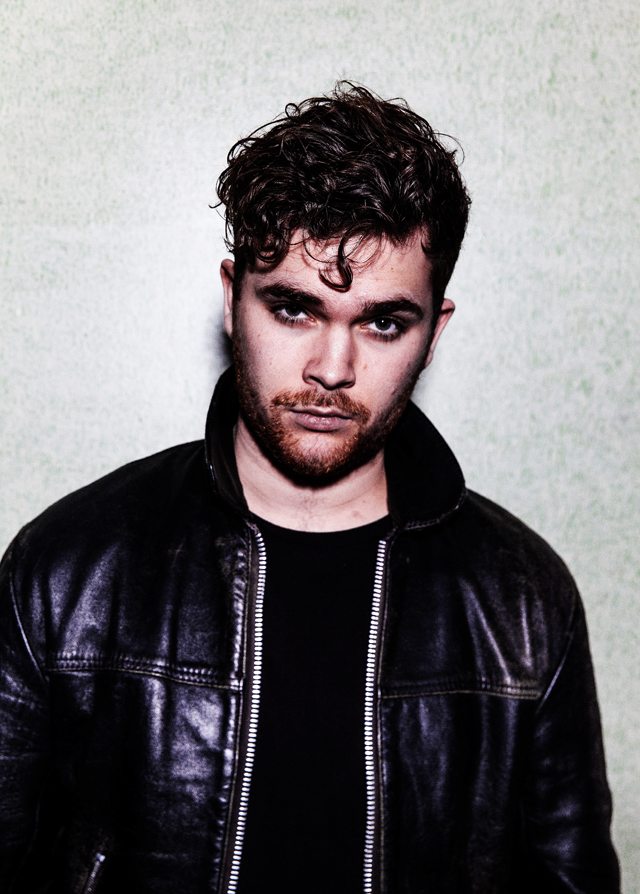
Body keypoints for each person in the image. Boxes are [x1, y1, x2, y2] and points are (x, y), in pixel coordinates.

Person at [0, 83, 619, 894]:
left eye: (383, 322)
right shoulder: (67, 572)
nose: (332, 369)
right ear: (233, 300)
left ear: (435, 332)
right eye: (294, 309)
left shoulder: (523, 601)